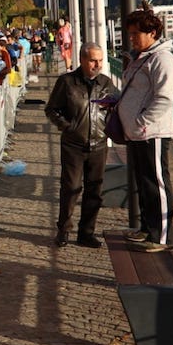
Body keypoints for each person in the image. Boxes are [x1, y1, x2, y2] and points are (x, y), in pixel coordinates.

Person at [119, 9, 173, 252]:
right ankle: (147, 228)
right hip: (137, 132)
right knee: (144, 182)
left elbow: (164, 98)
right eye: (130, 33)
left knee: (156, 183)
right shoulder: (142, 57)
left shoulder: (163, 60)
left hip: (151, 132)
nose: (132, 38)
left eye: (136, 33)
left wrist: (142, 121)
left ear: (152, 33)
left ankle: (162, 237)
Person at [44, 43, 116, 248]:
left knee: (95, 190)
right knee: (71, 188)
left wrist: (109, 126)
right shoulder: (67, 82)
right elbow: (51, 109)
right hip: (73, 144)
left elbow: (116, 106)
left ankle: (87, 233)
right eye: (93, 60)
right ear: (82, 59)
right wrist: (68, 127)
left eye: (100, 60)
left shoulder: (106, 83)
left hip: (99, 144)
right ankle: (64, 229)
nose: (97, 65)